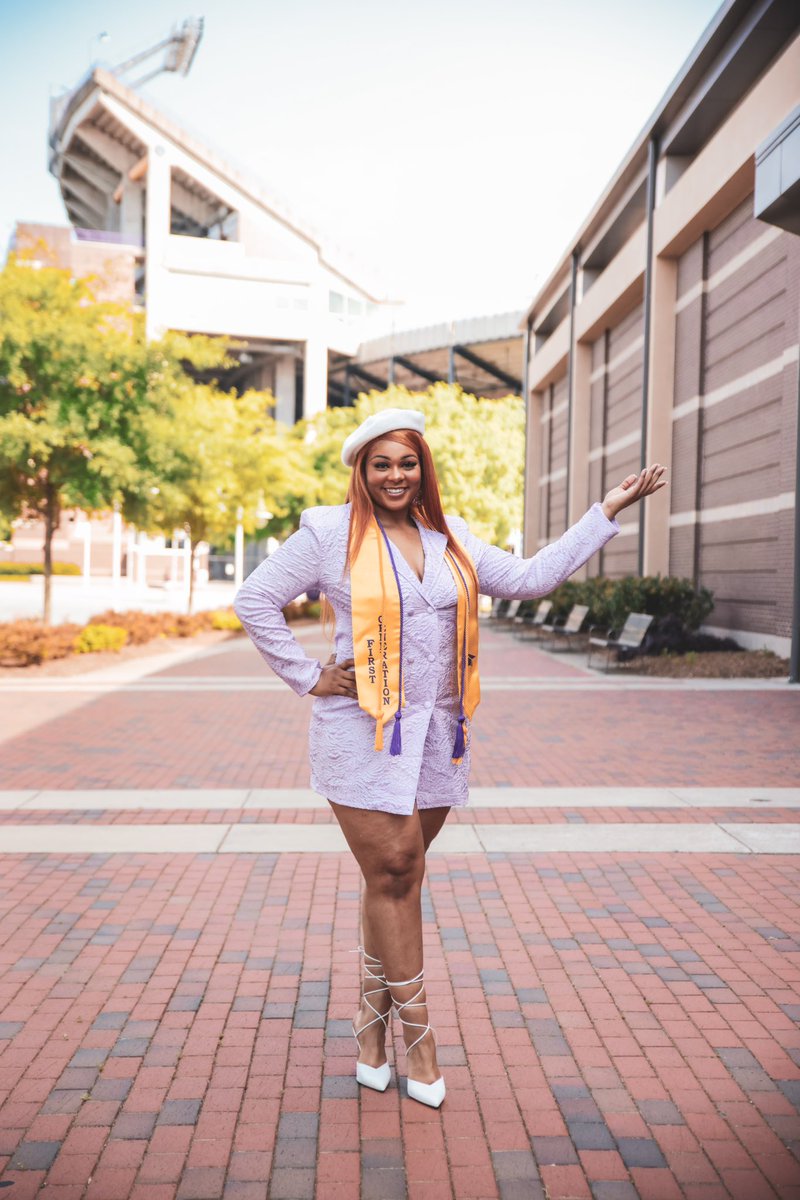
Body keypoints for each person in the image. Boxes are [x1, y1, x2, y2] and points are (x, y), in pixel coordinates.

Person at [234, 407, 667, 1109]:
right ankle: (420, 1039)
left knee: (395, 880)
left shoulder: (451, 539)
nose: (395, 475)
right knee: (398, 869)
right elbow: (255, 600)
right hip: (362, 732)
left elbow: (531, 579)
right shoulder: (327, 533)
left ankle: (368, 1029)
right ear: (362, 472)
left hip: (439, 735)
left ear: (422, 468)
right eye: (381, 464)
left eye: (407, 463)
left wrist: (604, 513)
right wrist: (309, 675)